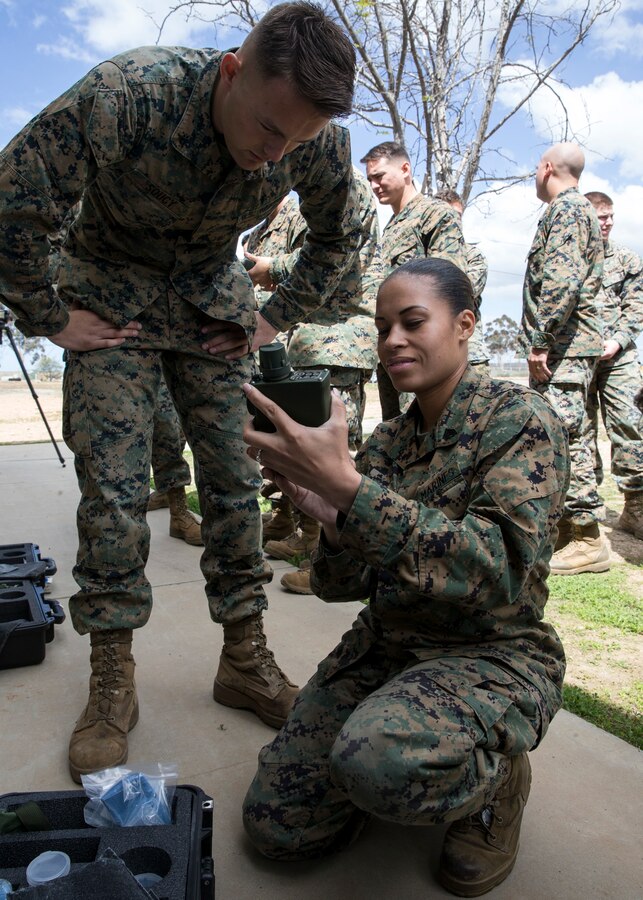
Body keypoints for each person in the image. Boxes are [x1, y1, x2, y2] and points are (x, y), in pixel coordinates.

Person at [0, 1, 361, 782]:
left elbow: (342, 233)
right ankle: (111, 678)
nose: (275, 159)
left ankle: (244, 656)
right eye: (269, 130)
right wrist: (50, 316)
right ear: (232, 71)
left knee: (235, 482)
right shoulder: (130, 93)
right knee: (117, 490)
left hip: (209, 311)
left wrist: (274, 319)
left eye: (295, 143)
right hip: (111, 305)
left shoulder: (312, 141)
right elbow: (13, 203)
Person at [240, 257, 569, 898]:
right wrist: (326, 513)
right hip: (388, 647)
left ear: (465, 325)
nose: (392, 340)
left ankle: (498, 778)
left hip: (489, 652)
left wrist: (349, 489)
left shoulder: (519, 421)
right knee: (278, 828)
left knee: (378, 763)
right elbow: (341, 585)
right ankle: (397, 744)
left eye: (412, 322)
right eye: (382, 325)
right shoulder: (390, 441)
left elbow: (498, 569)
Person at [246, 169, 381, 595]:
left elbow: (328, 261)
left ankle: (325, 550)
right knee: (292, 441)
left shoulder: (338, 185)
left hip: (336, 339)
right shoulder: (276, 214)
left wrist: (271, 268)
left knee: (330, 450)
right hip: (307, 339)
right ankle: (301, 534)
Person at [521, 142, 607, 575]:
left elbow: (561, 281)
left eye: (537, 167)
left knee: (565, 435)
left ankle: (587, 537)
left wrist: (541, 341)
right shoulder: (571, 211)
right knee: (566, 433)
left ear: (548, 167)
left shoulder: (568, 210)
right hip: (567, 347)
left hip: (564, 348)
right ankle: (562, 530)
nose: (536, 174)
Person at [361, 141, 468, 420]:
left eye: (380, 176)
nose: (374, 185)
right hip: (393, 353)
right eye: (370, 179)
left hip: (425, 354)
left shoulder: (434, 214)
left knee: (434, 429)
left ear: (405, 169)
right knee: (399, 434)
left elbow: (453, 285)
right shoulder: (392, 227)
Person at [582, 191, 643, 540]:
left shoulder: (627, 258)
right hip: (579, 358)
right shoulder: (574, 258)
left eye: (610, 216)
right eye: (600, 216)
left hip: (618, 358)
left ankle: (635, 507)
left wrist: (617, 340)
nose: (607, 222)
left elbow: (636, 306)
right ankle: (585, 511)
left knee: (628, 426)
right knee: (581, 432)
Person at [435, 188, 491, 368]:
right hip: (429, 355)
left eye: (458, 215)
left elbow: (463, 291)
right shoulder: (420, 259)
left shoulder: (472, 256)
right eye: (447, 214)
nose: (454, 221)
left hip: (468, 353)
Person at [147, 379, 204, 546]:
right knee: (164, 429)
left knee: (172, 428)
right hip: (131, 362)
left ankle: (176, 511)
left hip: (168, 360)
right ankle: (173, 505)